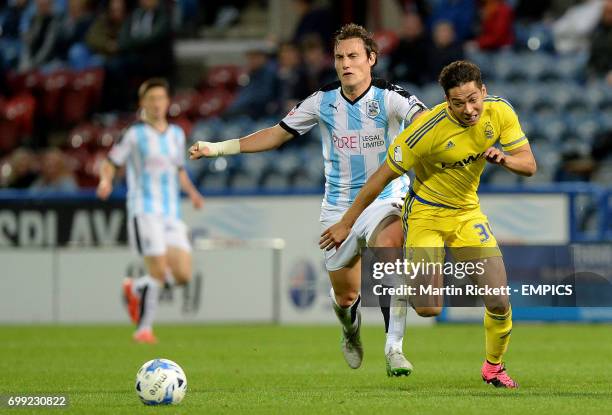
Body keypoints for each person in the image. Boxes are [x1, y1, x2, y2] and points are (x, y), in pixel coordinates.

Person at [189, 23, 428, 376]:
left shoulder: (391, 97)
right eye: (339, 57)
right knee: (345, 298)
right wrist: (218, 148)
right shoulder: (322, 101)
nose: (346, 64)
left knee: (390, 250)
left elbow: (424, 120)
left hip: (384, 196)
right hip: (337, 208)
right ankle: (350, 329)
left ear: (371, 59)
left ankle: (394, 349)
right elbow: (275, 135)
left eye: (353, 56)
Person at [320, 60, 537, 388]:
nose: (469, 109)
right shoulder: (425, 131)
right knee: (429, 308)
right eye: (458, 103)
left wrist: (504, 159)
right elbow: (379, 179)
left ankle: (494, 366)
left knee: (498, 299)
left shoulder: (500, 112)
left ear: (484, 92)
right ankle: (406, 270)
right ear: (447, 101)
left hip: (467, 213)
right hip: (425, 215)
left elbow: (530, 165)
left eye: (473, 99)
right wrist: (347, 223)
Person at [97, 78, 205, 344]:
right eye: (151, 99)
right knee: (157, 272)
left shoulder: (177, 134)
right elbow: (111, 162)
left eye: (161, 98)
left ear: (168, 102)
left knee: (182, 275)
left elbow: (179, 168)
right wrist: (106, 180)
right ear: (142, 103)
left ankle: (135, 287)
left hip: (171, 213)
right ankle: (143, 329)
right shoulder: (134, 134)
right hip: (144, 209)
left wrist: (192, 192)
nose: (157, 104)